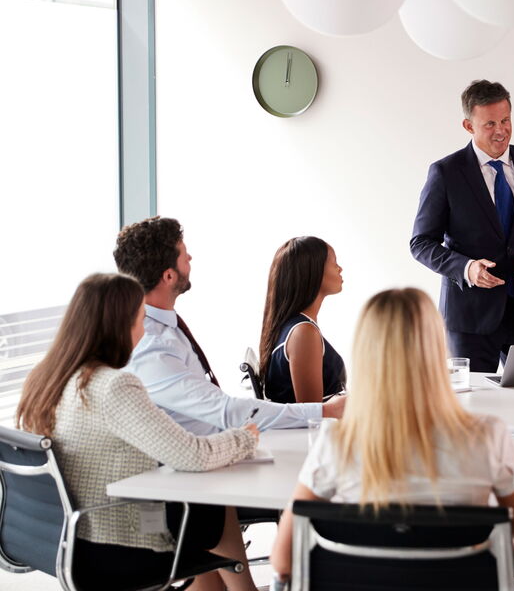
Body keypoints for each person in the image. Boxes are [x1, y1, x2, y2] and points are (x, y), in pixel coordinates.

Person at [269, 288, 514, 585]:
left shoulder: (336, 441)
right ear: (437, 349)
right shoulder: (487, 436)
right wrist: (484, 557)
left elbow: (283, 560)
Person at [15, 273, 260, 591]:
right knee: (214, 499)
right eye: (141, 318)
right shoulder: (113, 385)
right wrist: (245, 437)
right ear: (120, 325)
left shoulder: (47, 379)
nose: (144, 330)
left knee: (197, 511)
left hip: (67, 539)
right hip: (118, 543)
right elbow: (193, 456)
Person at [114, 216, 344, 435]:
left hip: (223, 446)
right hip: (206, 455)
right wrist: (325, 411)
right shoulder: (152, 343)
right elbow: (224, 410)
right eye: (184, 255)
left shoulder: (167, 329)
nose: (190, 258)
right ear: (169, 276)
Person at [410, 79, 514, 372]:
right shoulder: (446, 172)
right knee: (473, 400)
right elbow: (420, 243)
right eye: (490, 124)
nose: (501, 130)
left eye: (505, 120)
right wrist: (467, 268)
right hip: (470, 320)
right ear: (468, 126)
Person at [259, 236, 346, 404]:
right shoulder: (303, 332)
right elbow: (311, 413)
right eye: (334, 262)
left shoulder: (297, 327)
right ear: (313, 271)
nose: (340, 268)